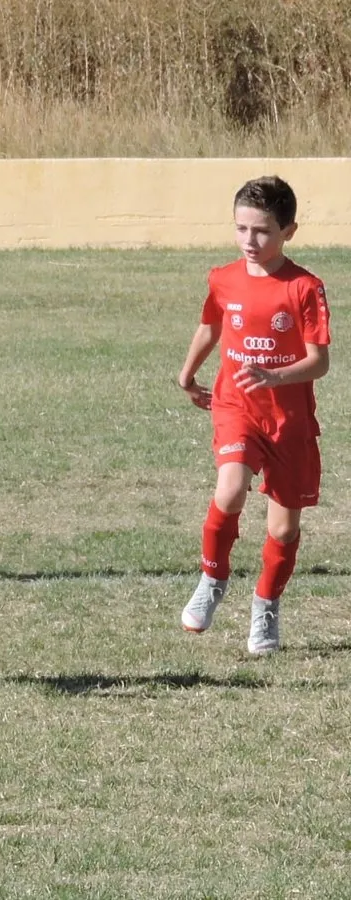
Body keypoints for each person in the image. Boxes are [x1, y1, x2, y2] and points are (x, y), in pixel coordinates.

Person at [177, 175, 330, 655]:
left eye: (262, 231)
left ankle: (265, 605)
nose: (249, 240)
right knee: (230, 487)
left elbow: (319, 361)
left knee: (283, 529)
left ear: (289, 231)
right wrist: (187, 375)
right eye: (241, 228)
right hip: (236, 405)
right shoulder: (222, 278)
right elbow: (210, 328)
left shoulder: (305, 287)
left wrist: (275, 375)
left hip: (288, 420)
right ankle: (212, 578)